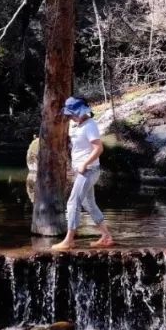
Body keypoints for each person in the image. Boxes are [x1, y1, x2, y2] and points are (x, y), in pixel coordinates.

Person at [51, 96, 115, 249]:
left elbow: (99, 148)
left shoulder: (90, 125)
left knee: (73, 202)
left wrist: (85, 164)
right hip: (85, 171)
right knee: (89, 203)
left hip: (88, 171)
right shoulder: (80, 126)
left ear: (79, 112)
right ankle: (107, 237)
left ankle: (69, 240)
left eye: (71, 114)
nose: (70, 117)